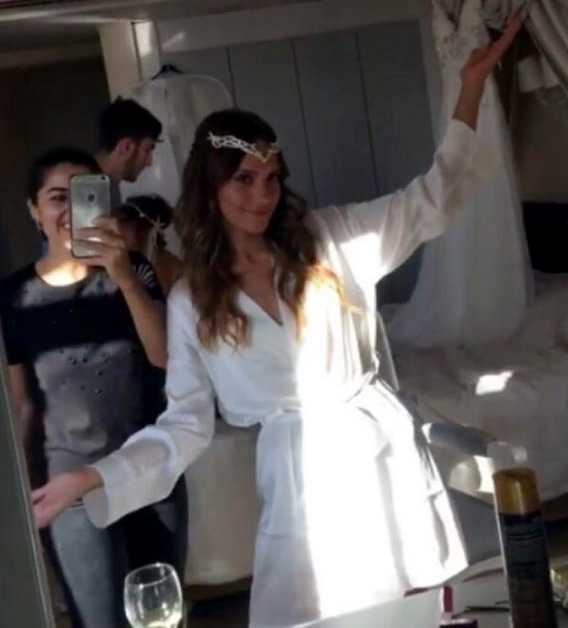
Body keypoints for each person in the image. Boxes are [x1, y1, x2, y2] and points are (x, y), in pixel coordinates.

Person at [30, 16, 521, 628]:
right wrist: (94, 475)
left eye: (271, 180)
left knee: (412, 612)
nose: (262, 196)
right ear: (211, 188)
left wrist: (470, 87)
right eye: (243, 180)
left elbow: (434, 198)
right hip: (296, 484)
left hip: (381, 465)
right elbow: (184, 423)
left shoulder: (332, 240)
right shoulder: (193, 301)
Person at [0, 147, 187, 628]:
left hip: (148, 467)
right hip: (68, 484)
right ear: (34, 210)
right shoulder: (13, 297)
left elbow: (165, 356)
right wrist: (23, 496)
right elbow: (21, 405)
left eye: (84, 195)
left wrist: (124, 277)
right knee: (98, 621)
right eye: (56, 197)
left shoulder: (135, 271)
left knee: (162, 616)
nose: (70, 210)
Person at [95, 98, 162, 206]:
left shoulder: (110, 187)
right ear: (126, 147)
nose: (149, 162)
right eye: (147, 150)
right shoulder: (81, 190)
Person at [114, 194, 182, 296]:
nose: (117, 229)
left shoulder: (174, 269)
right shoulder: (125, 263)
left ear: (147, 228)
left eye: (124, 222)